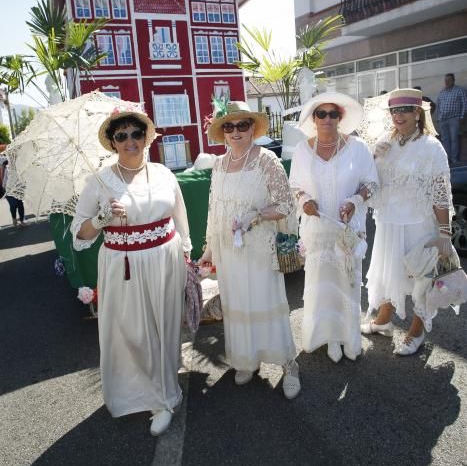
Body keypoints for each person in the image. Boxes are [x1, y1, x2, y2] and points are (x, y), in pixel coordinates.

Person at [71, 104, 191, 436]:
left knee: (165, 326)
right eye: (121, 135)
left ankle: (164, 392)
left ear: (146, 136)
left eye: (136, 133)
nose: (130, 140)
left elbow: (179, 216)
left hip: (165, 260)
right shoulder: (99, 182)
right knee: (135, 332)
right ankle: (147, 394)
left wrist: (186, 253)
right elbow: (79, 234)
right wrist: (101, 219)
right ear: (112, 142)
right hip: (123, 265)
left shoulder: (164, 173)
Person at [199, 100, 300, 399]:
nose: (236, 132)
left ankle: (288, 364)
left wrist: (255, 216)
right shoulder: (218, 164)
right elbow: (213, 210)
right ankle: (246, 359)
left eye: (243, 125)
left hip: (259, 250)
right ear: (222, 132)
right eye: (229, 126)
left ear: (253, 127)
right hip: (230, 253)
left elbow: (285, 205)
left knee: (264, 303)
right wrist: (209, 249)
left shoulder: (267, 160)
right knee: (238, 307)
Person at [363, 88, 454, 355]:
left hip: (418, 224)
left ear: (418, 113)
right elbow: (370, 182)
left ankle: (417, 327)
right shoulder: (384, 141)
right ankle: (384, 319)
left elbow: (440, 193)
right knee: (389, 272)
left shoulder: (431, 147)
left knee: (420, 279)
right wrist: (372, 157)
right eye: (393, 110)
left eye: (404, 110)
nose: (398, 115)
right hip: (389, 223)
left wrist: (445, 234)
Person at [289, 93, 378, 363]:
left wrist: (355, 200)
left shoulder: (359, 147)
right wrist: (304, 201)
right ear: (313, 119)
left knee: (347, 284)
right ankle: (327, 337)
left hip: (347, 233)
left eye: (333, 114)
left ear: (341, 118)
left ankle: (347, 337)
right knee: (322, 285)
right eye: (321, 114)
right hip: (318, 232)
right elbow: (295, 187)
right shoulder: (303, 150)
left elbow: (372, 183)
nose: (327, 119)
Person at [436, 73, 467, 165]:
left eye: (449, 80)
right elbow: (439, 105)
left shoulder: (459, 90)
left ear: (453, 80)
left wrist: (462, 117)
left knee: (454, 139)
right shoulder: (442, 92)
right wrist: (438, 118)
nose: (447, 82)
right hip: (443, 120)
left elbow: (465, 104)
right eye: (446, 80)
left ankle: (454, 159)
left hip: (454, 119)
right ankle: (447, 159)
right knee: (445, 140)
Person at [2, 160, 26, 227]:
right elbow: (5, 179)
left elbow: (23, 179)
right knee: (13, 205)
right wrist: (4, 188)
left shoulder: (20, 169)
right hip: (9, 190)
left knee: (20, 205)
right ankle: (14, 218)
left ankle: (22, 221)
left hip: (18, 190)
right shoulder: (8, 169)